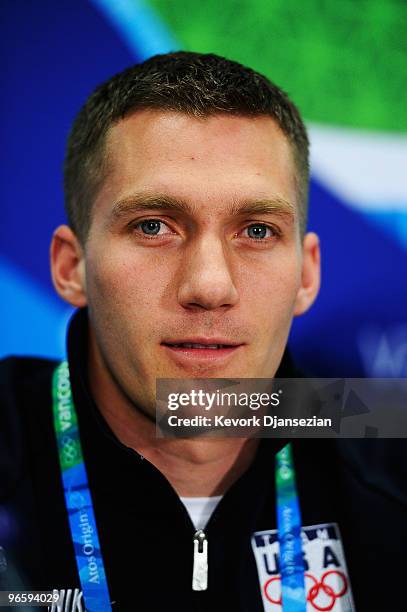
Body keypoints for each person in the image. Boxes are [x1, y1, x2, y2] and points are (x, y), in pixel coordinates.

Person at [0, 51, 405, 612]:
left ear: (307, 275)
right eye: (154, 226)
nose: (210, 285)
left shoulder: (381, 439)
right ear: (73, 268)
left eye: (257, 230)